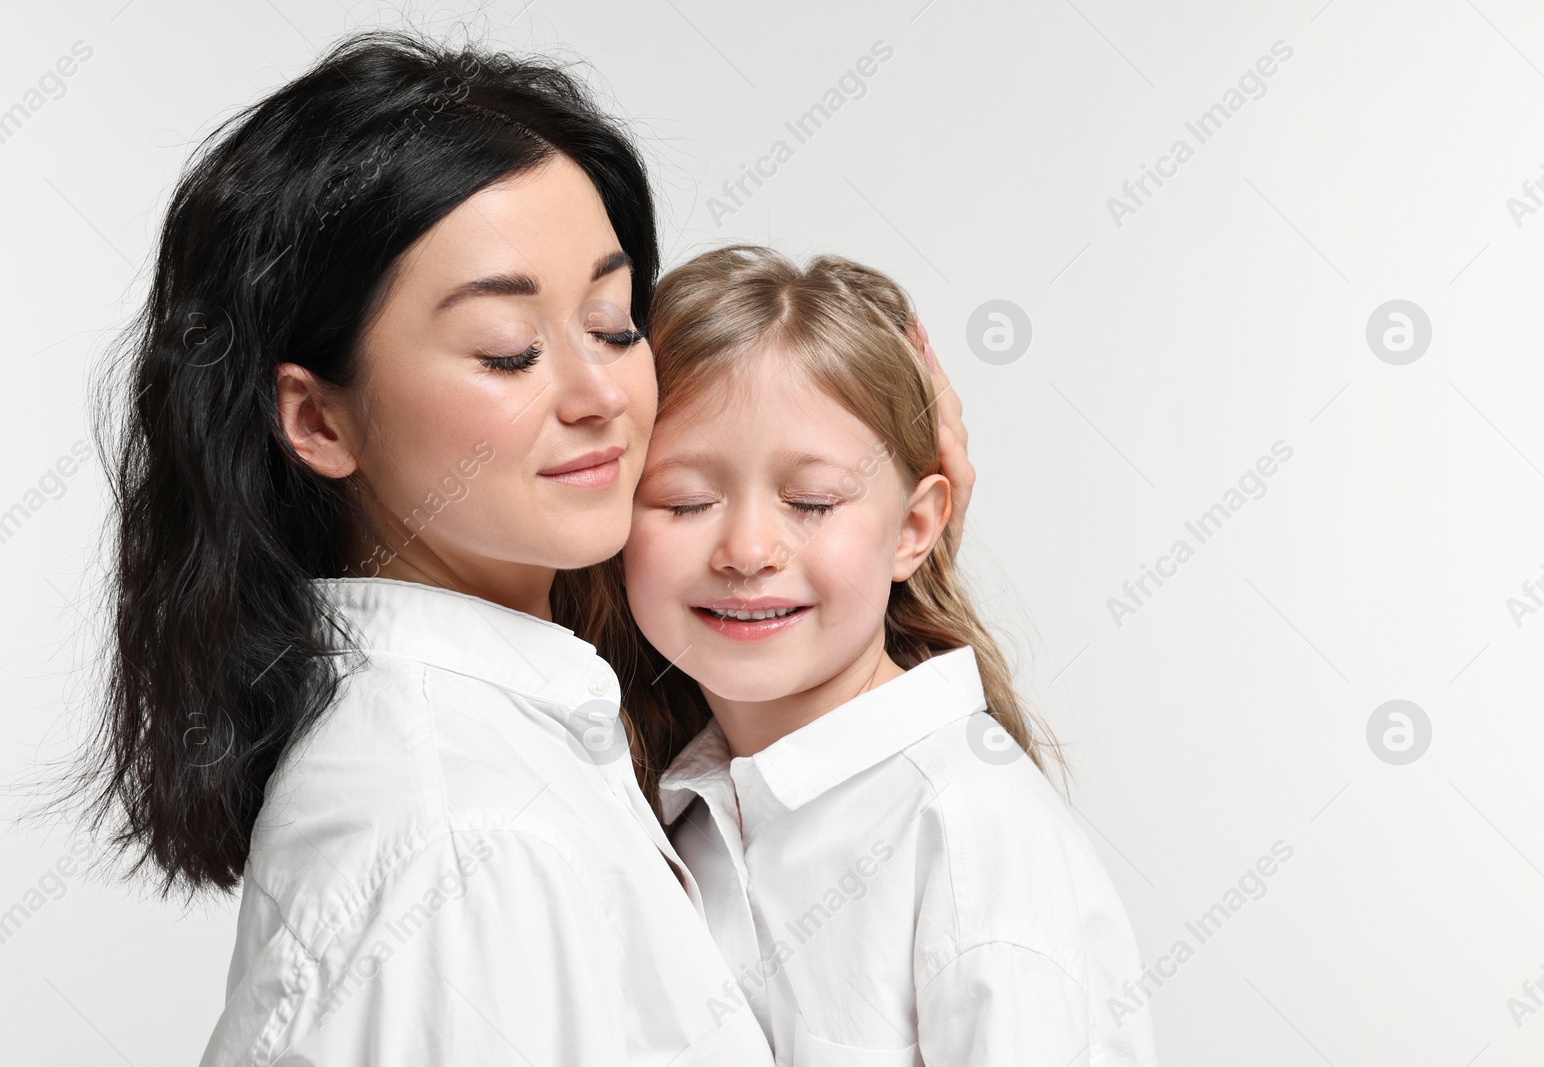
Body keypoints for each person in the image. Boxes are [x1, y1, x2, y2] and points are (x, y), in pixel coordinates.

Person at [76, 31, 974, 1064]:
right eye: (510, 351)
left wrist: (890, 521)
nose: (600, 396)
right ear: (319, 420)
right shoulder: (468, 837)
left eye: (611, 321)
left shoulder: (540, 738)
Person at [600, 246, 1157, 1065]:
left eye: (813, 501)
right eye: (685, 500)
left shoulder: (968, 831)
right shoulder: (672, 813)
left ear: (915, 528)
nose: (749, 549)